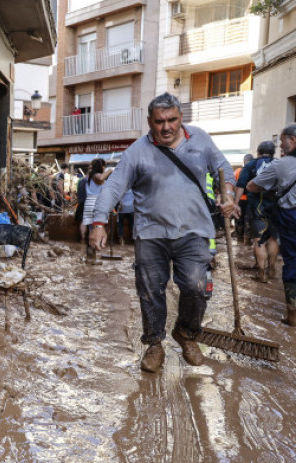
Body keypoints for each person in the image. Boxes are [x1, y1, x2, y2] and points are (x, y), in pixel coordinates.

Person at [89, 92, 235, 373]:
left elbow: (223, 169)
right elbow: (114, 186)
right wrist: (98, 222)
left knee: (197, 287)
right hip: (151, 234)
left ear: (181, 118)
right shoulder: (137, 151)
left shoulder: (201, 140)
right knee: (150, 290)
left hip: (195, 232)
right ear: (149, 122)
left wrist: (227, 194)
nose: (166, 127)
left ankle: (187, 333)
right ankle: (154, 344)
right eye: (159, 121)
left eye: (172, 120)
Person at [246, 124, 296, 326]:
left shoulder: (281, 165)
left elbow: (252, 186)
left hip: (290, 215)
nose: (280, 146)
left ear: (293, 140)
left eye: (282, 141)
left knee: (292, 260)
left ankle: (292, 316)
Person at [235, 141, 278, 283]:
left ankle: (262, 273)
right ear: (273, 152)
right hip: (275, 206)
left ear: (258, 152)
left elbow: (241, 186)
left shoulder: (250, 165)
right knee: (272, 239)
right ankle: (271, 269)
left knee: (259, 240)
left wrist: (235, 204)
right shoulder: (279, 164)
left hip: (256, 206)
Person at [82, 158, 113, 264]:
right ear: (101, 166)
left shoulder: (89, 176)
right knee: (94, 231)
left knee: (92, 231)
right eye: (104, 166)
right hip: (95, 204)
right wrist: (110, 170)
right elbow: (102, 177)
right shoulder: (96, 176)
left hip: (91, 203)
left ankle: (90, 257)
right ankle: (91, 258)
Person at [234, 153, 254, 239]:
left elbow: (233, 185)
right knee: (248, 219)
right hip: (251, 199)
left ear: (244, 161)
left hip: (240, 199)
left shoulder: (238, 171)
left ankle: (239, 237)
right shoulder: (255, 171)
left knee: (239, 218)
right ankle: (247, 238)